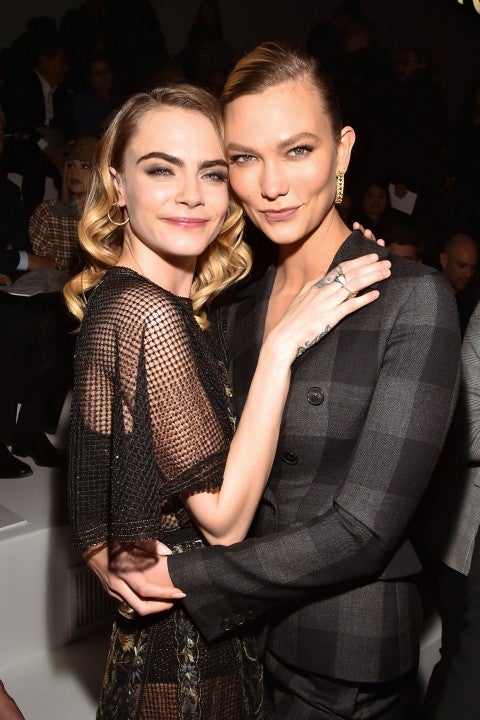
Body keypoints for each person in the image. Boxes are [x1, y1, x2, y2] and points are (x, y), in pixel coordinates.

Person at [87, 44, 461, 719]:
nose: (271, 185)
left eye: (298, 151)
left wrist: (179, 574)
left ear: (342, 151)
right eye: (244, 158)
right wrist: (101, 542)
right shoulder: (233, 307)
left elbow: (363, 532)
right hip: (238, 647)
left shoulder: (412, 300)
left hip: (341, 660)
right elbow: (154, 442)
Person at [29, 135, 99, 274]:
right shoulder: (46, 212)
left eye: (85, 166)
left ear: (101, 172)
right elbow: (44, 267)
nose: (74, 172)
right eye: (71, 165)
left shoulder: (115, 215)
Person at [439, 232, 479, 336]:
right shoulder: (426, 296)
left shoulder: (469, 305)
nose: (469, 274)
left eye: (473, 268)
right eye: (462, 265)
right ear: (444, 260)